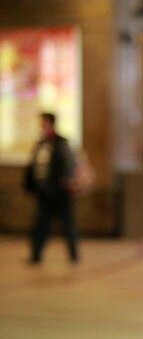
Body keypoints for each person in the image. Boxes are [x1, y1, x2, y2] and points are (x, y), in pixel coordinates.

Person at [24, 112, 78, 265]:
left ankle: (74, 254)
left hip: (60, 193)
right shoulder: (41, 143)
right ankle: (36, 255)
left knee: (67, 224)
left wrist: (61, 183)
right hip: (45, 193)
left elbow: (69, 165)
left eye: (44, 122)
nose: (41, 125)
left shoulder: (61, 143)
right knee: (40, 224)